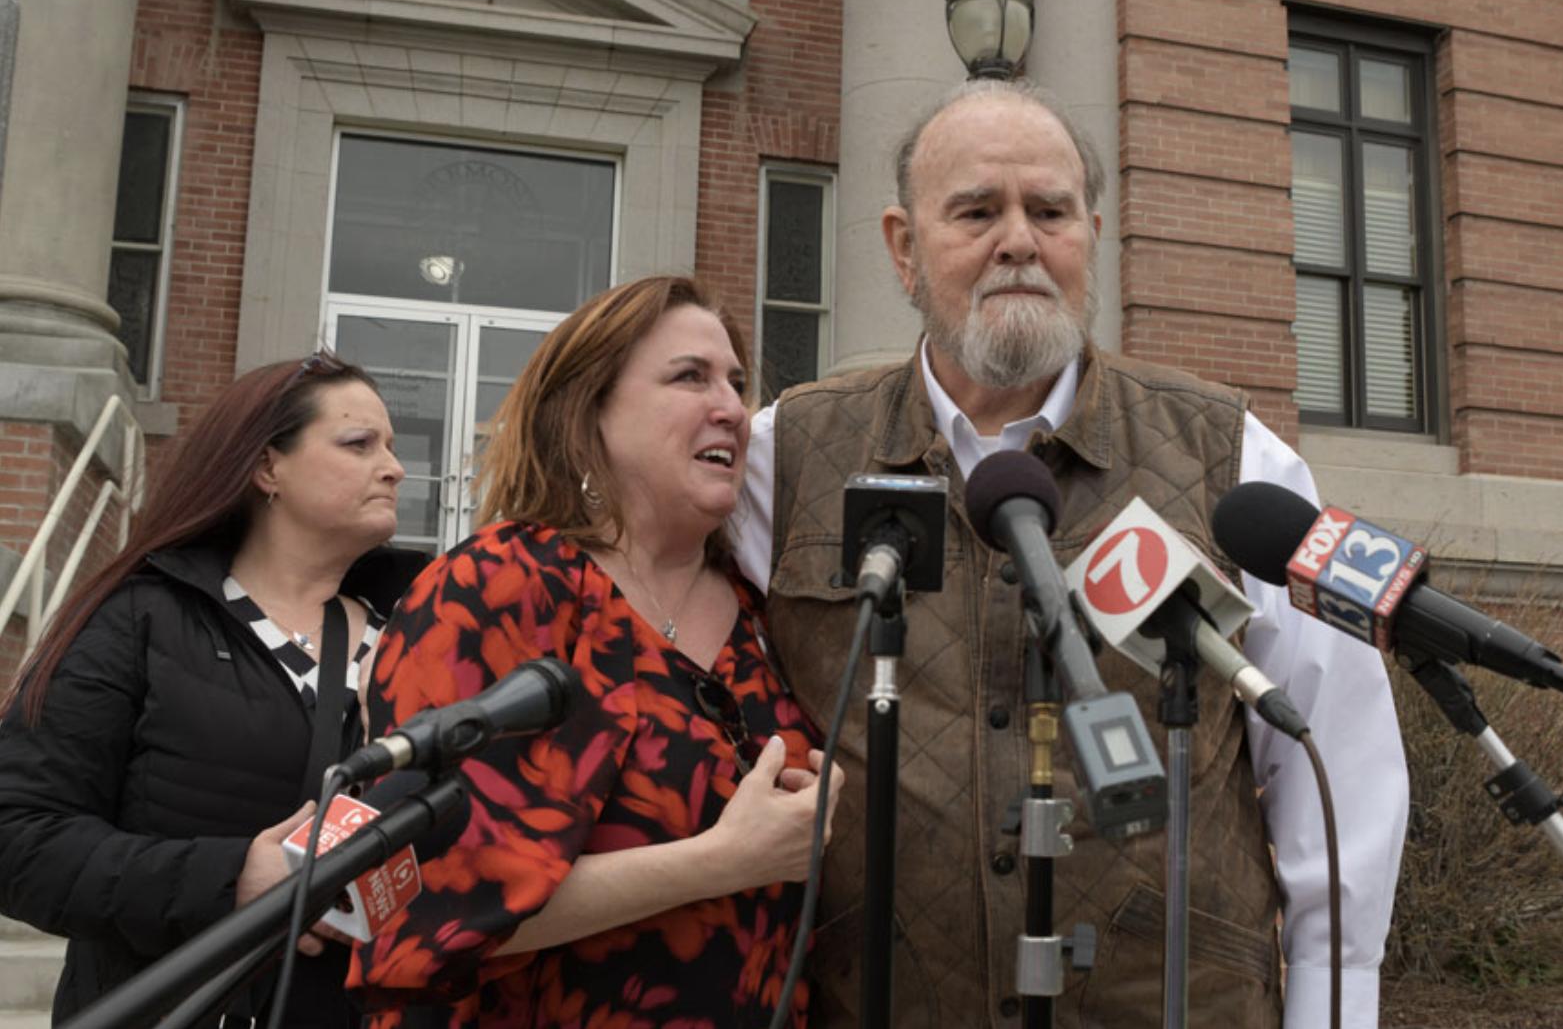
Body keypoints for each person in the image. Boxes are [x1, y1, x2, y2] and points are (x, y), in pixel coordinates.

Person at [734, 80, 1409, 1028]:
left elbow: (1335, 762)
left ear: (1090, 231)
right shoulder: (787, 456)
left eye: (1050, 211)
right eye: (977, 211)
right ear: (902, 247)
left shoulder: (1234, 455)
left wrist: (1333, 1011)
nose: (1020, 240)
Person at [350, 275, 842, 1028]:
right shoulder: (495, 588)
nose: (733, 410)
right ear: (590, 413)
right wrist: (724, 861)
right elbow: (424, 899)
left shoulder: (764, 613)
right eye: (690, 377)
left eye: (738, 385)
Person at [0, 352, 419, 1027]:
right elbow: (18, 837)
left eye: (392, 448)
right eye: (358, 444)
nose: (395, 468)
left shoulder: (418, 638)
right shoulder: (141, 618)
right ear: (266, 468)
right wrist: (234, 877)